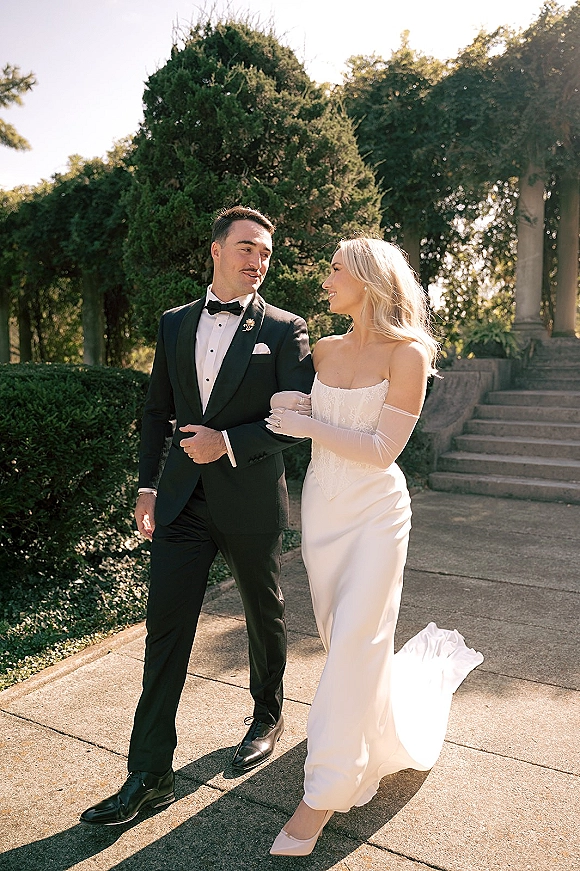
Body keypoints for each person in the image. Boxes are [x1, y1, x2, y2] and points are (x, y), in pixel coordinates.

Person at [80, 205, 315, 826]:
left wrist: (228, 443)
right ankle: (148, 774)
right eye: (246, 248)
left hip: (251, 501)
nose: (257, 260)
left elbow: (295, 420)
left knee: (264, 614)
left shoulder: (287, 330)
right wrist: (148, 486)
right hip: (182, 502)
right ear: (216, 250)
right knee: (165, 634)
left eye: (265, 252)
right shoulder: (176, 323)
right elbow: (157, 410)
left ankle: (267, 715)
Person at [265, 237, 483, 856]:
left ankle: (322, 795)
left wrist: (308, 423)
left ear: (367, 278)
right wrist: (295, 403)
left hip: (377, 513)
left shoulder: (409, 353)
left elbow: (382, 449)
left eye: (334, 268)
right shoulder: (324, 348)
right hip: (322, 510)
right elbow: (318, 413)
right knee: (344, 643)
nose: (324, 277)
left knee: (358, 636)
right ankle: (366, 736)